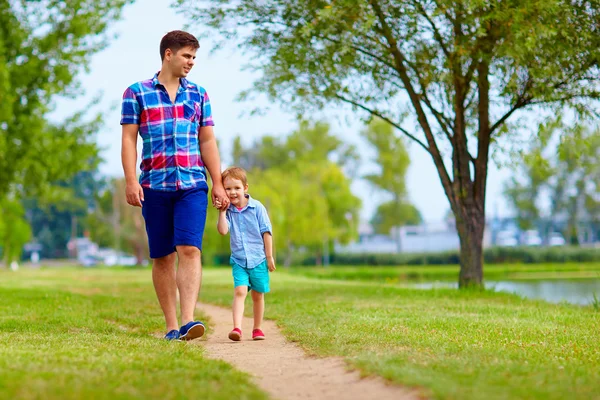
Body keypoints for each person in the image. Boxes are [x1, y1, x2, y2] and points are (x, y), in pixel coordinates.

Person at [120, 30, 229, 341]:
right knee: (163, 256)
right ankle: (170, 326)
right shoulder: (136, 93)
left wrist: (217, 183)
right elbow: (128, 139)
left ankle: (188, 320)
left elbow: (207, 141)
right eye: (186, 56)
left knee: (190, 249)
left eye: (194, 57)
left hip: (192, 183)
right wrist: (131, 180)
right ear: (168, 54)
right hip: (153, 185)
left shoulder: (199, 94)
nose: (191, 62)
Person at [214, 167, 276, 341]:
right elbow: (222, 231)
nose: (232, 192)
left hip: (259, 260)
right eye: (228, 189)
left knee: (257, 295)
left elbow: (267, 232)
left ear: (245, 188)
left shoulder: (258, 208)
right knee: (240, 291)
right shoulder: (229, 212)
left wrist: (269, 256)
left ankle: (257, 328)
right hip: (239, 260)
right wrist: (222, 212)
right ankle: (237, 328)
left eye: (236, 188)